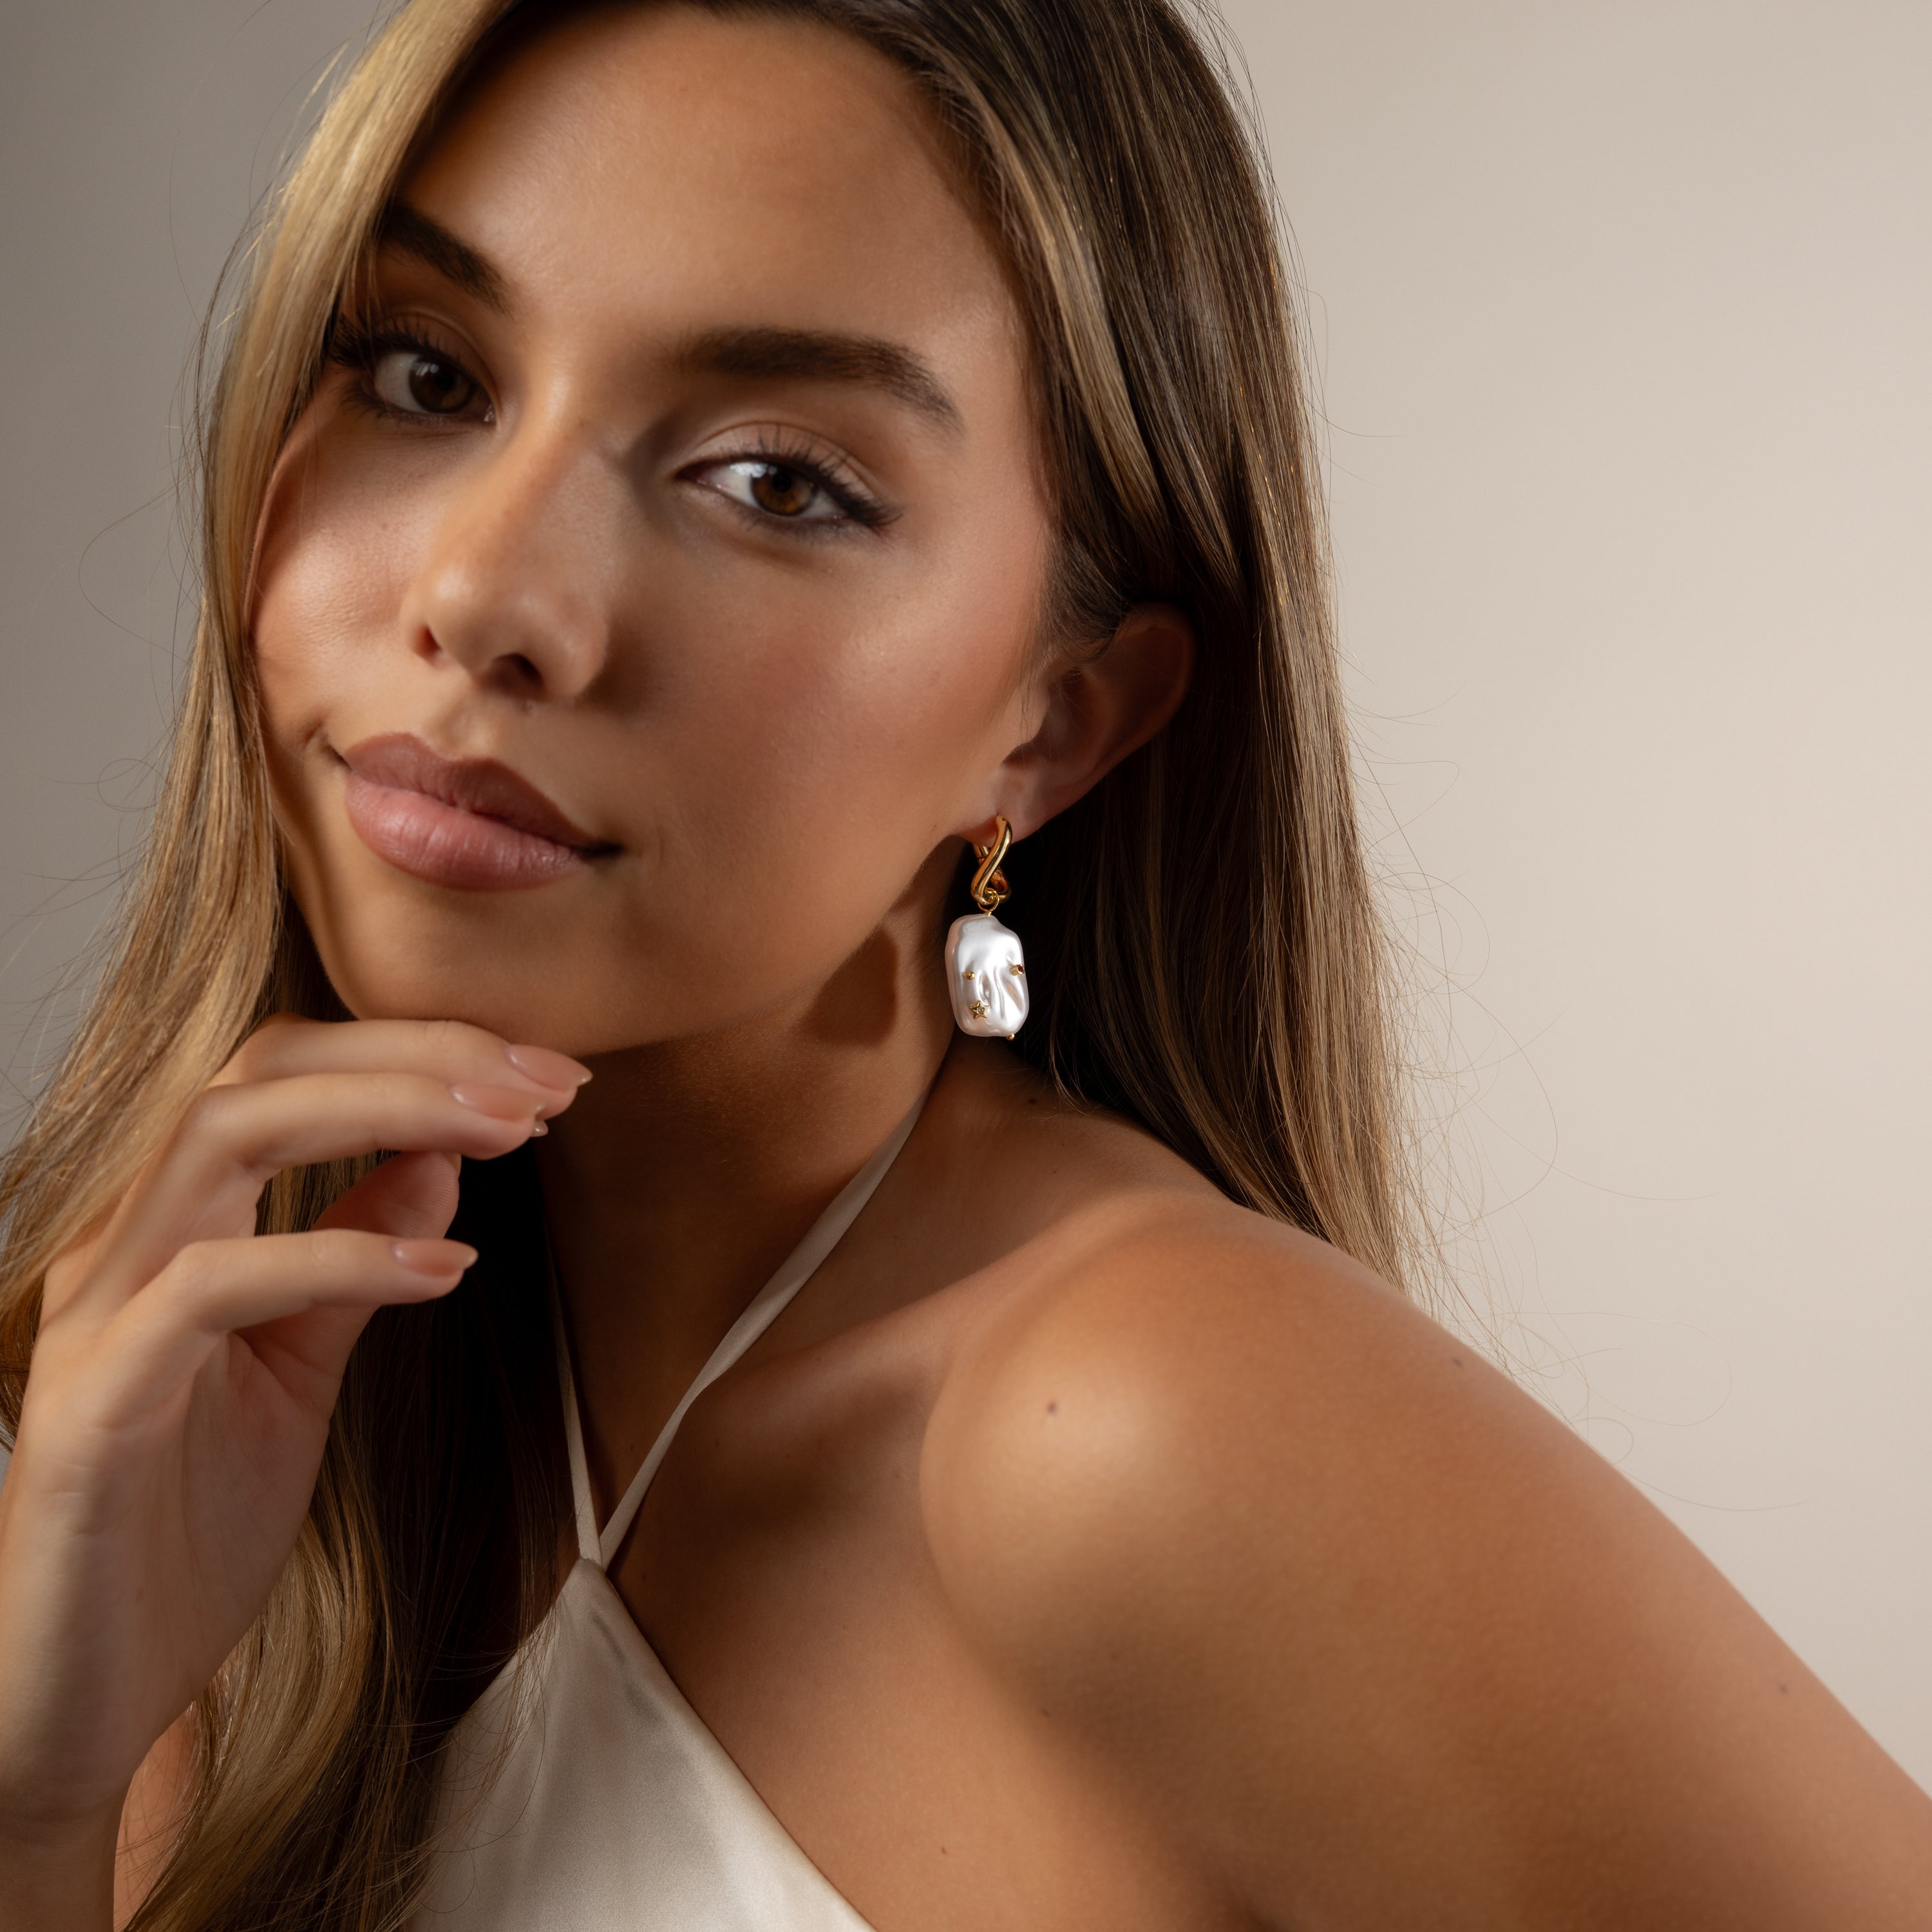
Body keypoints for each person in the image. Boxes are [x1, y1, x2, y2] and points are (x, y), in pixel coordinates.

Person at [1, 0, 1927, 1926]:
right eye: (427, 372)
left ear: (1057, 721)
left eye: (776, 483)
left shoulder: (1131, 1436)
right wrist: (42, 1794)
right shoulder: (245, 1397)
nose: (485, 595)